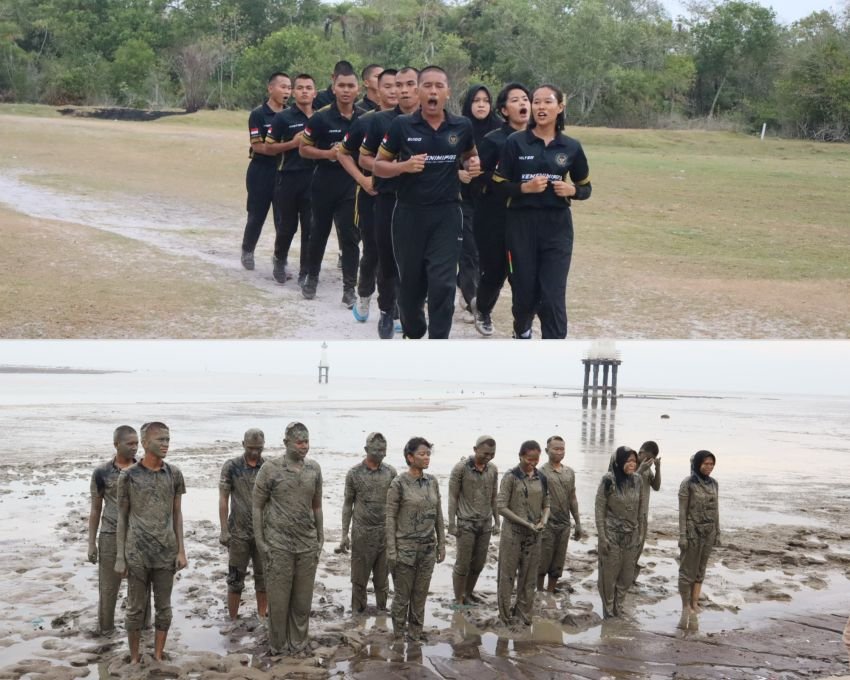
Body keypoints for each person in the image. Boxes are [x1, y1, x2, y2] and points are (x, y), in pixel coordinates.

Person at [374, 65, 481, 339]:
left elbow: (470, 154)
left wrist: (472, 165)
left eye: (439, 86)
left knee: (443, 284)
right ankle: (414, 328)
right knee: (410, 287)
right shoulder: (402, 126)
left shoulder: (462, 126)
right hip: (409, 215)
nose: (433, 91)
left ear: (447, 92)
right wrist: (403, 167)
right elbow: (378, 166)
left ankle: (438, 343)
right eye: (427, 86)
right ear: (418, 91)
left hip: (447, 214)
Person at [492, 83, 591, 338]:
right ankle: (522, 331)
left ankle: (555, 353)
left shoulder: (571, 147)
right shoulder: (516, 142)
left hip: (557, 227)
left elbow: (585, 187)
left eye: (547, 102)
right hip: (521, 225)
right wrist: (524, 188)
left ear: (560, 107)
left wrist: (573, 192)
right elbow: (498, 184)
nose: (540, 107)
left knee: (553, 294)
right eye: (536, 102)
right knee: (525, 292)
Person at [115, 422, 187, 663]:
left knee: (164, 608)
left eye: (168, 439)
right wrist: (120, 557)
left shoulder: (174, 474)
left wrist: (181, 551)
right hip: (136, 553)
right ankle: (134, 657)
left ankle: (158, 654)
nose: (166, 444)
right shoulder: (128, 476)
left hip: (165, 552)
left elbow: (177, 514)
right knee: (135, 608)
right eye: (160, 440)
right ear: (145, 444)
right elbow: (122, 518)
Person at [358, 67, 420, 339]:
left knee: (417, 262)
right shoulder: (379, 121)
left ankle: (409, 310)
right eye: (396, 85)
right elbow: (363, 159)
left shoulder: (437, 123)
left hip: (424, 203)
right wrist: (395, 168)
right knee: (386, 259)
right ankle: (386, 310)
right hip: (387, 200)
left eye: (408, 84)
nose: (400, 90)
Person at [253, 422, 323, 655]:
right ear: (286, 443)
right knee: (279, 602)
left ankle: (299, 644)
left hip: (306, 544)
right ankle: (277, 645)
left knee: (302, 602)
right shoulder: (270, 469)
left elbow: (317, 506)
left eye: (307, 441)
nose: (304, 446)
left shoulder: (313, 469)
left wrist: (320, 538)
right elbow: (257, 506)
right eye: (299, 442)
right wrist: (261, 541)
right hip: (278, 545)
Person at [338, 69, 398, 323]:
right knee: (373, 252)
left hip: (405, 199)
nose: (394, 91)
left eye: (400, 85)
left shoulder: (418, 121)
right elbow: (343, 153)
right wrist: (362, 179)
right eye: (388, 86)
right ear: (377, 90)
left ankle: (394, 307)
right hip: (372, 197)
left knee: (399, 254)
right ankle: (364, 296)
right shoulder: (367, 121)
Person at [300, 63, 362, 307]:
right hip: (324, 182)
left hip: (350, 184)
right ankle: (311, 278)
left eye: (351, 86)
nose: (346, 90)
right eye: (341, 86)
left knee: (349, 237)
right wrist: (327, 154)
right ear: (333, 88)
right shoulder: (320, 117)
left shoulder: (364, 118)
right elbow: (304, 149)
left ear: (358, 89)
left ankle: (349, 288)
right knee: (318, 233)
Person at [471, 83, 530, 336]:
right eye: (515, 100)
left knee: (523, 276)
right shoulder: (493, 140)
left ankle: (522, 327)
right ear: (504, 111)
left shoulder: (540, 140)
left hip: (528, 218)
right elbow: (480, 176)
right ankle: (482, 308)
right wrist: (511, 186)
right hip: (494, 217)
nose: (522, 104)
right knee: (495, 273)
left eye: (525, 98)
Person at [385, 437, 446, 641]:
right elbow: (390, 518)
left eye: (428, 453)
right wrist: (392, 550)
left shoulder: (432, 482)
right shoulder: (399, 483)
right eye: (422, 454)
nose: (426, 457)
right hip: (405, 549)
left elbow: (438, 514)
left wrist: (442, 544)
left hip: (428, 548)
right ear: (410, 457)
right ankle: (398, 635)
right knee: (402, 597)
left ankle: (415, 634)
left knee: (420, 595)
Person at [88, 425, 140, 635]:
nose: (135, 448)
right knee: (109, 589)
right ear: (116, 444)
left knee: (140, 588)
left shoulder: (144, 469)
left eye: (137, 443)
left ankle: (141, 629)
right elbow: (95, 509)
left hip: (138, 536)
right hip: (109, 534)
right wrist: (91, 543)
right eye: (130, 444)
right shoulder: (101, 472)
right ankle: (106, 630)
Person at [266, 74, 316, 285]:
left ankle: (306, 270)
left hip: (313, 180)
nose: (304, 91)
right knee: (287, 226)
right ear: (294, 92)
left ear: (315, 92)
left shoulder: (320, 118)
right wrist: (292, 144)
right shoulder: (283, 118)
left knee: (310, 227)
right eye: (300, 88)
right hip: (287, 178)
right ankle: (280, 259)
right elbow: (268, 147)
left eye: (308, 88)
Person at [339, 432, 397, 613]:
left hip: (384, 533)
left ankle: (381, 610)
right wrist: (344, 535)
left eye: (383, 450)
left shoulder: (390, 472)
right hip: (361, 533)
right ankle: (357, 611)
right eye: (376, 450)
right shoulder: (354, 474)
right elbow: (348, 504)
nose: (381, 453)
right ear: (366, 450)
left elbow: (396, 504)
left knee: (382, 579)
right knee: (359, 579)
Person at [458, 85, 501, 321]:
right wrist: (458, 173)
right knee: (469, 252)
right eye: (476, 100)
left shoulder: (499, 130)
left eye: (486, 100)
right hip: (462, 198)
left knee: (486, 253)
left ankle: (469, 290)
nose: (481, 105)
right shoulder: (458, 127)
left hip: (491, 200)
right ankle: (471, 300)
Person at [241, 72, 292, 271]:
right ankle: (247, 250)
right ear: (270, 88)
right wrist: (290, 145)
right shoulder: (258, 114)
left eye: (289, 87)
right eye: (283, 87)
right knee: (256, 214)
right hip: (261, 170)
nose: (287, 91)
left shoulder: (292, 115)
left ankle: (280, 258)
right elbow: (259, 146)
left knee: (283, 218)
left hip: (284, 172)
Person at [496, 440, 550, 626]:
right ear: (520, 456)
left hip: (534, 534)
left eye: (536, 459)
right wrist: (524, 523)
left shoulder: (541, 477)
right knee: (507, 575)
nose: (532, 463)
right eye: (529, 459)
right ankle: (504, 617)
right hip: (513, 534)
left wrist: (543, 520)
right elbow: (501, 506)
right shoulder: (511, 477)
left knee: (529, 577)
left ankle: (524, 614)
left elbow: (546, 505)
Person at [219, 428, 267, 622]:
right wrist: (224, 530)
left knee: (263, 578)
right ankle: (232, 618)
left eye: (259, 448)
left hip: (263, 533)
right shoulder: (231, 467)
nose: (255, 452)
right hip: (238, 533)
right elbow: (223, 498)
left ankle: (262, 616)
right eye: (251, 448)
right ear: (243, 445)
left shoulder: (268, 467)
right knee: (235, 578)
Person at [447, 435, 500, 605]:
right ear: (475, 449)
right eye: (485, 453)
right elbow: (453, 497)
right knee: (462, 565)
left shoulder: (492, 469)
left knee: (478, 564)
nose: (488, 457)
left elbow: (494, 497)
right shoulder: (461, 468)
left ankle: (468, 594)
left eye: (492, 454)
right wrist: (452, 524)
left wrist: (497, 521)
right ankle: (458, 599)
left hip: (485, 523)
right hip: (466, 523)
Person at [594, 446, 641, 619]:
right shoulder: (609, 480)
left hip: (631, 536)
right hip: (611, 535)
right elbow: (599, 509)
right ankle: (608, 610)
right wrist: (602, 536)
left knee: (627, 576)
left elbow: (640, 510)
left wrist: (640, 533)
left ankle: (618, 607)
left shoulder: (638, 480)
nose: (632, 464)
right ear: (619, 461)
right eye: (628, 461)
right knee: (608, 576)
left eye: (634, 461)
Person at [678, 450, 719, 630]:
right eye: (705, 464)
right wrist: (682, 535)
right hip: (692, 531)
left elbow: (716, 509)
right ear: (697, 464)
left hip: (708, 532)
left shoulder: (714, 484)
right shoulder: (687, 484)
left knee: (701, 569)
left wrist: (717, 532)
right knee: (687, 570)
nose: (709, 467)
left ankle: (695, 603)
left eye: (711, 464)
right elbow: (682, 512)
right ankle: (685, 605)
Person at [537, 435, 583, 594]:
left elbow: (573, 498)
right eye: (555, 448)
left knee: (558, 561)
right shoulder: (540, 472)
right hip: (546, 524)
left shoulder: (569, 472)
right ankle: (539, 591)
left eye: (562, 449)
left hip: (564, 524)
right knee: (542, 560)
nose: (559, 451)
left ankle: (550, 591)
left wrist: (578, 522)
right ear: (546, 450)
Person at [633, 440, 661, 583]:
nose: (648, 461)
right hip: (630, 513)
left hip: (643, 513)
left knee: (639, 546)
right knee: (629, 546)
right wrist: (641, 469)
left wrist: (658, 468)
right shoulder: (630, 463)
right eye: (646, 457)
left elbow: (656, 487)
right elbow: (629, 483)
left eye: (651, 459)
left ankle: (631, 578)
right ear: (640, 452)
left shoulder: (648, 467)